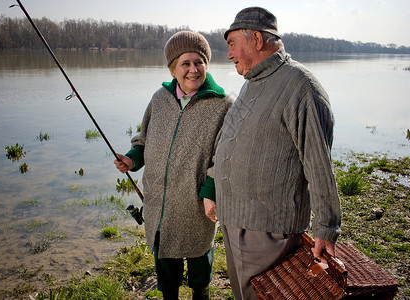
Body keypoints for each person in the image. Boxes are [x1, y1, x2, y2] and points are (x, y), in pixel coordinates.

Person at [214, 7, 342, 300]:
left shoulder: (301, 86)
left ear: (257, 40)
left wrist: (326, 226)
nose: (229, 54)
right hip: (235, 223)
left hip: (269, 234)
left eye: (232, 45)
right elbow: (230, 141)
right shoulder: (253, 83)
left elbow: (318, 162)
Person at [114, 31, 233, 300]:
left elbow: (224, 158)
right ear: (172, 68)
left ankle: (200, 294)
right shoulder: (159, 98)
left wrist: (211, 192)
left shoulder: (223, 105)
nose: (193, 69)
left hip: (197, 204)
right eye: (185, 63)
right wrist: (132, 159)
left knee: (200, 263)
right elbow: (143, 140)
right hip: (159, 203)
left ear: (207, 65)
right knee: (165, 265)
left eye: (199, 62)